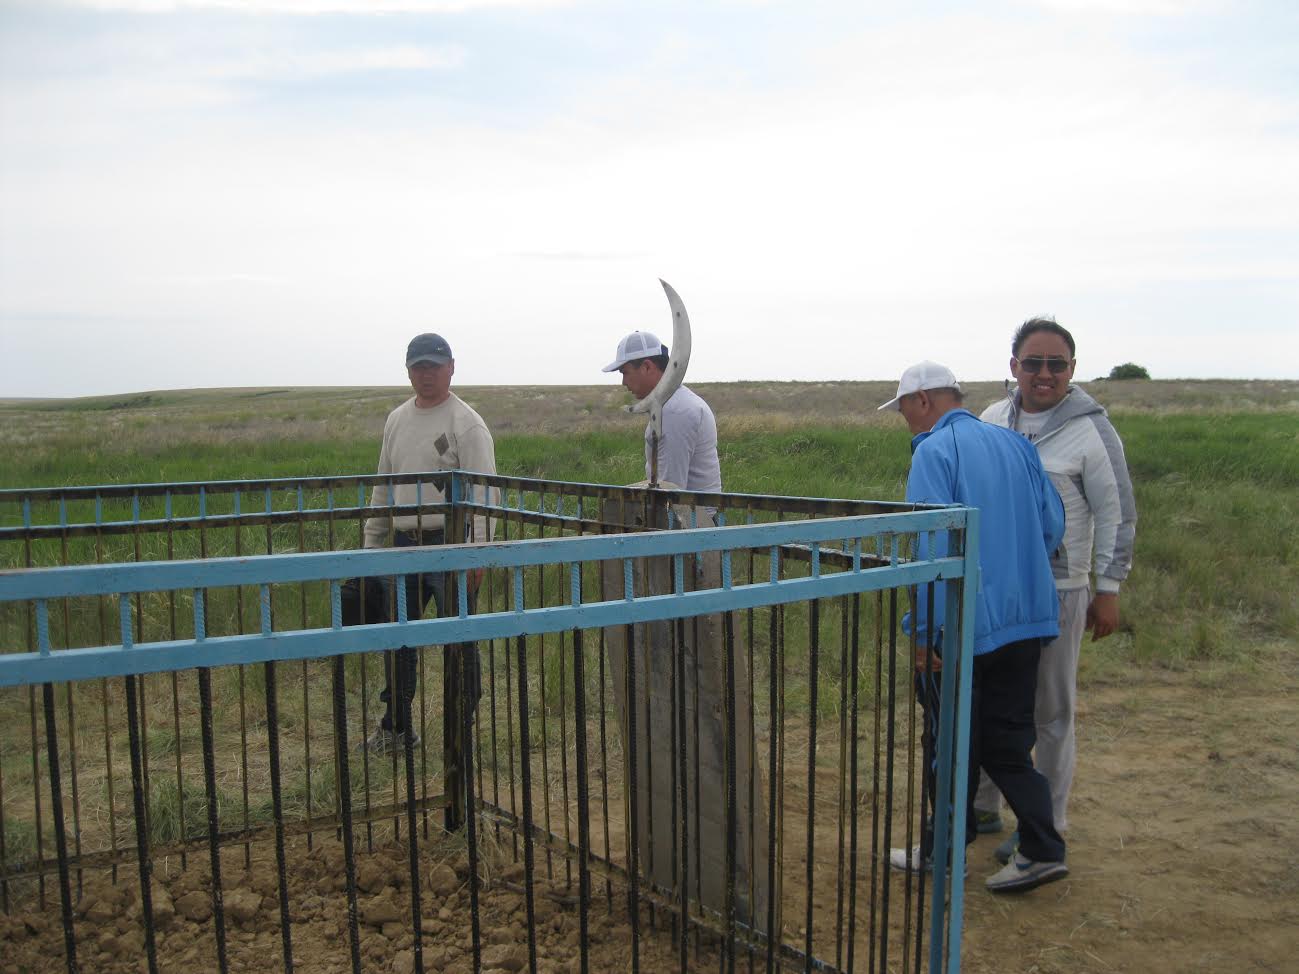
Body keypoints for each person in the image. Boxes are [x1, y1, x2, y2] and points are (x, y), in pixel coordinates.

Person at [880, 360, 1069, 893]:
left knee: (949, 740)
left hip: (965, 628)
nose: (905, 420)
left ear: (923, 401)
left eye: (903, 409)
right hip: (1026, 620)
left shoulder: (933, 452)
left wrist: (924, 634)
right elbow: (1052, 525)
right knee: (1007, 743)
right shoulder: (1017, 445)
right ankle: (1041, 847)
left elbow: (932, 547)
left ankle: (945, 852)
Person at [974, 317, 1138, 862]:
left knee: (1050, 712)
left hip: (1061, 590)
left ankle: (1045, 823)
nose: (1044, 374)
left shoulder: (1092, 432)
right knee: (994, 703)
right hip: (1000, 590)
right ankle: (983, 805)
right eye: (1033, 363)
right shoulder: (992, 420)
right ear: (1014, 366)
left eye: (1056, 364)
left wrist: (1108, 588)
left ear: (1072, 369)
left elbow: (1117, 514)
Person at [351, 332, 497, 754]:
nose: (426, 374)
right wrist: (371, 545)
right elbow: (383, 486)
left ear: (451, 367)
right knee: (398, 639)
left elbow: (485, 493)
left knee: (459, 639)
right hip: (402, 545)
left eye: (434, 366)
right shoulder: (396, 420)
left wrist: (477, 553)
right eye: (419, 367)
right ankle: (396, 729)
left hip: (451, 546)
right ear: (408, 371)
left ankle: (460, 728)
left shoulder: (467, 423)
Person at [602, 330, 721, 493]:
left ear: (647, 367)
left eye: (625, 372)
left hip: (692, 510)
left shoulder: (675, 412)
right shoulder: (674, 402)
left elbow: (669, 492)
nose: (623, 382)